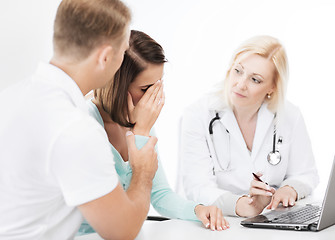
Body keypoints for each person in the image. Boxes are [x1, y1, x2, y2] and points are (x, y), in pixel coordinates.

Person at [0, 1, 161, 239]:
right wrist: (143, 171)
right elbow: (122, 231)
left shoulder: (10, 97)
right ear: (106, 56)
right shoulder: (75, 128)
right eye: (123, 51)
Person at [78, 30, 229, 235]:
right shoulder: (83, 125)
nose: (156, 98)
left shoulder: (138, 120)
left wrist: (197, 209)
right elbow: (118, 217)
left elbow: (158, 193)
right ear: (116, 85)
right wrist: (140, 133)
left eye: (159, 85)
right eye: (146, 88)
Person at [179, 35, 319, 218]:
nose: (240, 84)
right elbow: (197, 186)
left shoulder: (289, 115)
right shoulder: (199, 114)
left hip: (271, 219)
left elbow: (306, 173)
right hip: (218, 221)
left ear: (273, 88)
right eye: (238, 71)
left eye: (255, 80)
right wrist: (239, 205)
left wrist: (289, 189)